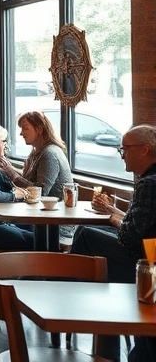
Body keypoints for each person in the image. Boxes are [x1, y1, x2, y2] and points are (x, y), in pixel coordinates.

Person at [70, 125, 156, 360]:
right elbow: (141, 223)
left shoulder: (149, 183)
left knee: (87, 234)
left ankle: (69, 294)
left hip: (145, 267)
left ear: (144, 150)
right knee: (87, 234)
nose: (121, 155)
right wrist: (112, 210)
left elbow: (130, 236)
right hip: (147, 258)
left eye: (125, 149)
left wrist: (112, 217)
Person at [0, 111, 73, 238]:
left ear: (39, 129)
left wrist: (13, 174)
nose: (21, 133)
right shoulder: (36, 153)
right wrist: (9, 172)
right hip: (40, 218)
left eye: (25, 128)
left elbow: (41, 192)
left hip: (54, 225)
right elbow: (28, 184)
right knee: (1, 227)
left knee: (0, 231)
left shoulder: (49, 154)